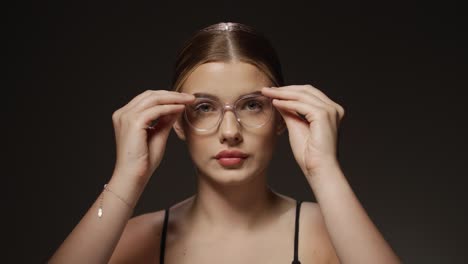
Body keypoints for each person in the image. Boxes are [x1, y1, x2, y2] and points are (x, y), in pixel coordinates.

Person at [49, 22, 401, 264]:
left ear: (281, 117)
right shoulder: (134, 238)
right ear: (177, 123)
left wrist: (325, 170)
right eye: (204, 107)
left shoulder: (328, 231)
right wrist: (128, 176)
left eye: (251, 105)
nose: (230, 130)